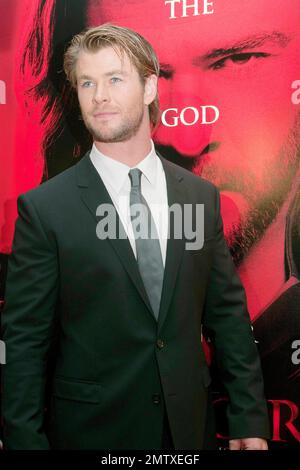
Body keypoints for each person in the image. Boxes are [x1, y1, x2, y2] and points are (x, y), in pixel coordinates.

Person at [1, 23, 269, 450]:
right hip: (92, 434)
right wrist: (23, 441)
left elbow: (228, 319)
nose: (99, 95)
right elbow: (26, 343)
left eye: (114, 79)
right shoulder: (45, 209)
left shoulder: (198, 197)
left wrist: (249, 418)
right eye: (87, 82)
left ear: (148, 87)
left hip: (187, 432)